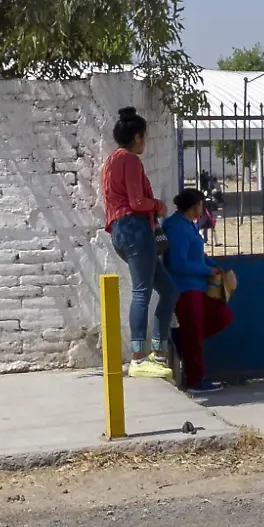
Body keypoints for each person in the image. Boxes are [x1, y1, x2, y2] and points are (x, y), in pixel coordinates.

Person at [100, 107, 174, 379]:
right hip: (134, 228)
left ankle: (157, 350)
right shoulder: (130, 160)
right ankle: (139, 358)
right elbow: (137, 202)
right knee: (142, 291)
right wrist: (159, 206)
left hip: (121, 231)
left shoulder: (110, 162)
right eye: (145, 136)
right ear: (137, 136)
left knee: (169, 289)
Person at [163, 189, 232, 392]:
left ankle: (180, 339)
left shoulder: (188, 226)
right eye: (201, 205)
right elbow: (177, 263)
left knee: (221, 317)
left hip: (197, 287)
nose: (203, 209)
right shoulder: (176, 228)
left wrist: (214, 266)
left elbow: (197, 255)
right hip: (185, 288)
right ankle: (195, 380)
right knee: (193, 334)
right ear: (195, 206)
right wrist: (206, 270)